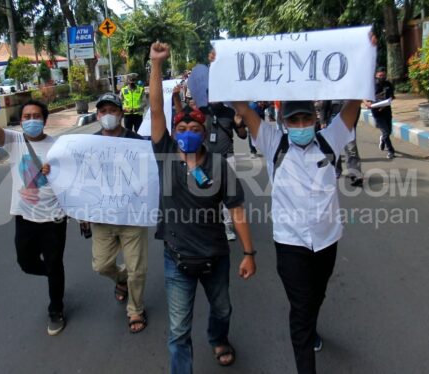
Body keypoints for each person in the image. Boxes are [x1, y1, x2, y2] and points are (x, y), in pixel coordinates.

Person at [149, 41, 257, 373]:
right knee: (179, 330)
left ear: (204, 131)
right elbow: (156, 109)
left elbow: (236, 209)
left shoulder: (220, 168)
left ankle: (218, 338)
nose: (187, 133)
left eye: (194, 129)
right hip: (177, 259)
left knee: (222, 310)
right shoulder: (165, 154)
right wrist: (155, 64)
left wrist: (249, 253)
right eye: (181, 128)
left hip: (215, 258)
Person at [234, 98, 362, 374]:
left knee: (317, 295)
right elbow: (243, 109)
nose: (301, 126)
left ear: (315, 121)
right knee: (301, 309)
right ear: (285, 123)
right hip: (290, 244)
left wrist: (366, 59)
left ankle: (310, 324)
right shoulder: (272, 143)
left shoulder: (329, 140)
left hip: (327, 240)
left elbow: (351, 108)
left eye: (306, 120)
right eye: (295, 121)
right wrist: (224, 68)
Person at [0, 85, 68, 336]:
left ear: (45, 120)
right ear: (20, 121)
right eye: (27, 117)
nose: (32, 120)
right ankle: (55, 277)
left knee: (55, 263)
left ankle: (56, 308)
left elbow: (72, 180)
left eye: (36, 116)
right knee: (26, 262)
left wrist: (54, 172)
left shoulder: (59, 146)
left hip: (54, 217)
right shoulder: (14, 141)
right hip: (25, 217)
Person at [91, 92, 149, 333]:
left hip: (132, 216)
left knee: (138, 269)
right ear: (97, 115)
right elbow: (79, 181)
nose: (107, 116)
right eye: (103, 111)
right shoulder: (88, 144)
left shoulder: (137, 142)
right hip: (102, 217)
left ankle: (135, 309)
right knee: (101, 265)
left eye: (112, 111)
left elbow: (149, 177)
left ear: (121, 114)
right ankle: (120, 278)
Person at [206, 102, 248, 241]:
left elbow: (242, 135)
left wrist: (239, 123)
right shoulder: (202, 112)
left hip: (227, 157)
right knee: (207, 191)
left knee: (228, 193)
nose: (213, 100)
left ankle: (228, 225)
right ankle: (210, 224)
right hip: (206, 159)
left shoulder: (230, 113)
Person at [320, 100, 363, 187]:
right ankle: (337, 170)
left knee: (351, 149)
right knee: (335, 148)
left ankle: (355, 174)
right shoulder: (332, 91)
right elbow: (324, 107)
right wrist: (323, 121)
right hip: (333, 122)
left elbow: (356, 109)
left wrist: (353, 124)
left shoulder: (351, 94)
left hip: (348, 124)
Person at [366, 67, 396, 159]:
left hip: (387, 110)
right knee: (386, 131)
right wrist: (368, 103)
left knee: (389, 131)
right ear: (376, 75)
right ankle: (391, 151)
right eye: (380, 75)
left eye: (383, 75)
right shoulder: (371, 86)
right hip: (377, 112)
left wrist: (388, 102)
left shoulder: (388, 85)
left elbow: (392, 97)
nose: (382, 77)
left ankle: (382, 139)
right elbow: (366, 98)